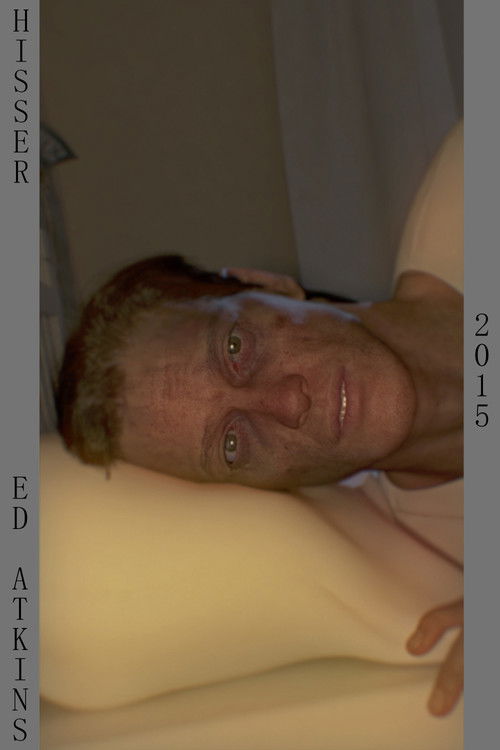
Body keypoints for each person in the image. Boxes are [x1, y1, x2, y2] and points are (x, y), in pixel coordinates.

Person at [57, 125, 463, 717]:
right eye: (231, 444)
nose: (287, 405)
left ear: (267, 286)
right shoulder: (450, 574)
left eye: (236, 349)